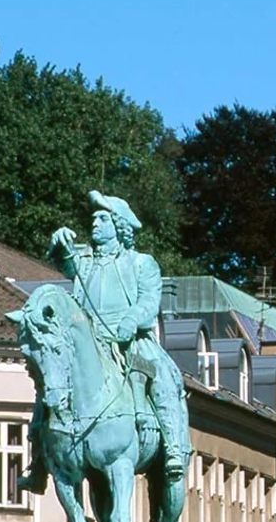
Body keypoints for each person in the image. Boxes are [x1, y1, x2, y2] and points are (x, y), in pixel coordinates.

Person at [18, 191, 189, 493]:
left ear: (119, 225)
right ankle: (39, 460)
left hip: (129, 339)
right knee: (50, 382)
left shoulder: (141, 263)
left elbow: (149, 302)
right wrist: (59, 244)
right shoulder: (84, 259)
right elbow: (64, 263)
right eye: (93, 218)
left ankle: (173, 446)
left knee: (163, 375)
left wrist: (131, 320)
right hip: (90, 343)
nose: (94, 223)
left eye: (102, 218)